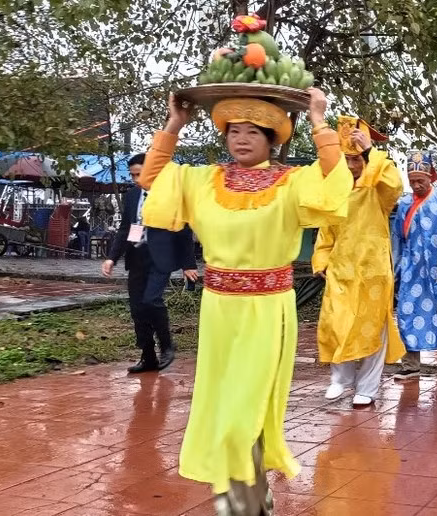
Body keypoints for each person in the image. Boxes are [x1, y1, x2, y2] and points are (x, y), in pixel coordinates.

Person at [137, 88, 353, 514]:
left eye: (253, 131)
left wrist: (318, 119)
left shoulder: (292, 181)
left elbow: (335, 182)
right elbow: (151, 179)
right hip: (219, 308)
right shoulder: (202, 180)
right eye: (234, 130)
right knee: (222, 407)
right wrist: (174, 124)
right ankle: (245, 501)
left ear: (272, 138)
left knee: (247, 409)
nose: (241, 138)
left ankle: (249, 501)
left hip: (268, 306)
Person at [312, 115, 405, 406]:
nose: (352, 166)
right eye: (347, 159)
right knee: (337, 322)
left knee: (372, 329)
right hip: (341, 269)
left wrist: (369, 152)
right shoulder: (335, 190)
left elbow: (394, 184)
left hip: (373, 271)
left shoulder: (377, 191)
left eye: (356, 159)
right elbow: (325, 230)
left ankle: (367, 387)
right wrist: (321, 259)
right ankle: (340, 378)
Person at [102, 153, 197, 374]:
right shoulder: (132, 195)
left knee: (152, 300)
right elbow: (126, 229)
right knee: (137, 309)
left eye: (139, 174)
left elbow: (183, 230)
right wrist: (111, 258)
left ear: (152, 171)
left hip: (161, 257)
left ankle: (167, 346)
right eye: (133, 175)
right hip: (137, 258)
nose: (136, 179)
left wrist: (188, 264)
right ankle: (148, 356)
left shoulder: (169, 195)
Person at [391, 150, 437, 380]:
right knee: (407, 310)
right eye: (412, 181)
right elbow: (397, 239)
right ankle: (411, 361)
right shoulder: (404, 204)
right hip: (412, 269)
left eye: (420, 181)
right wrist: (396, 269)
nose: (416, 185)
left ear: (431, 176)